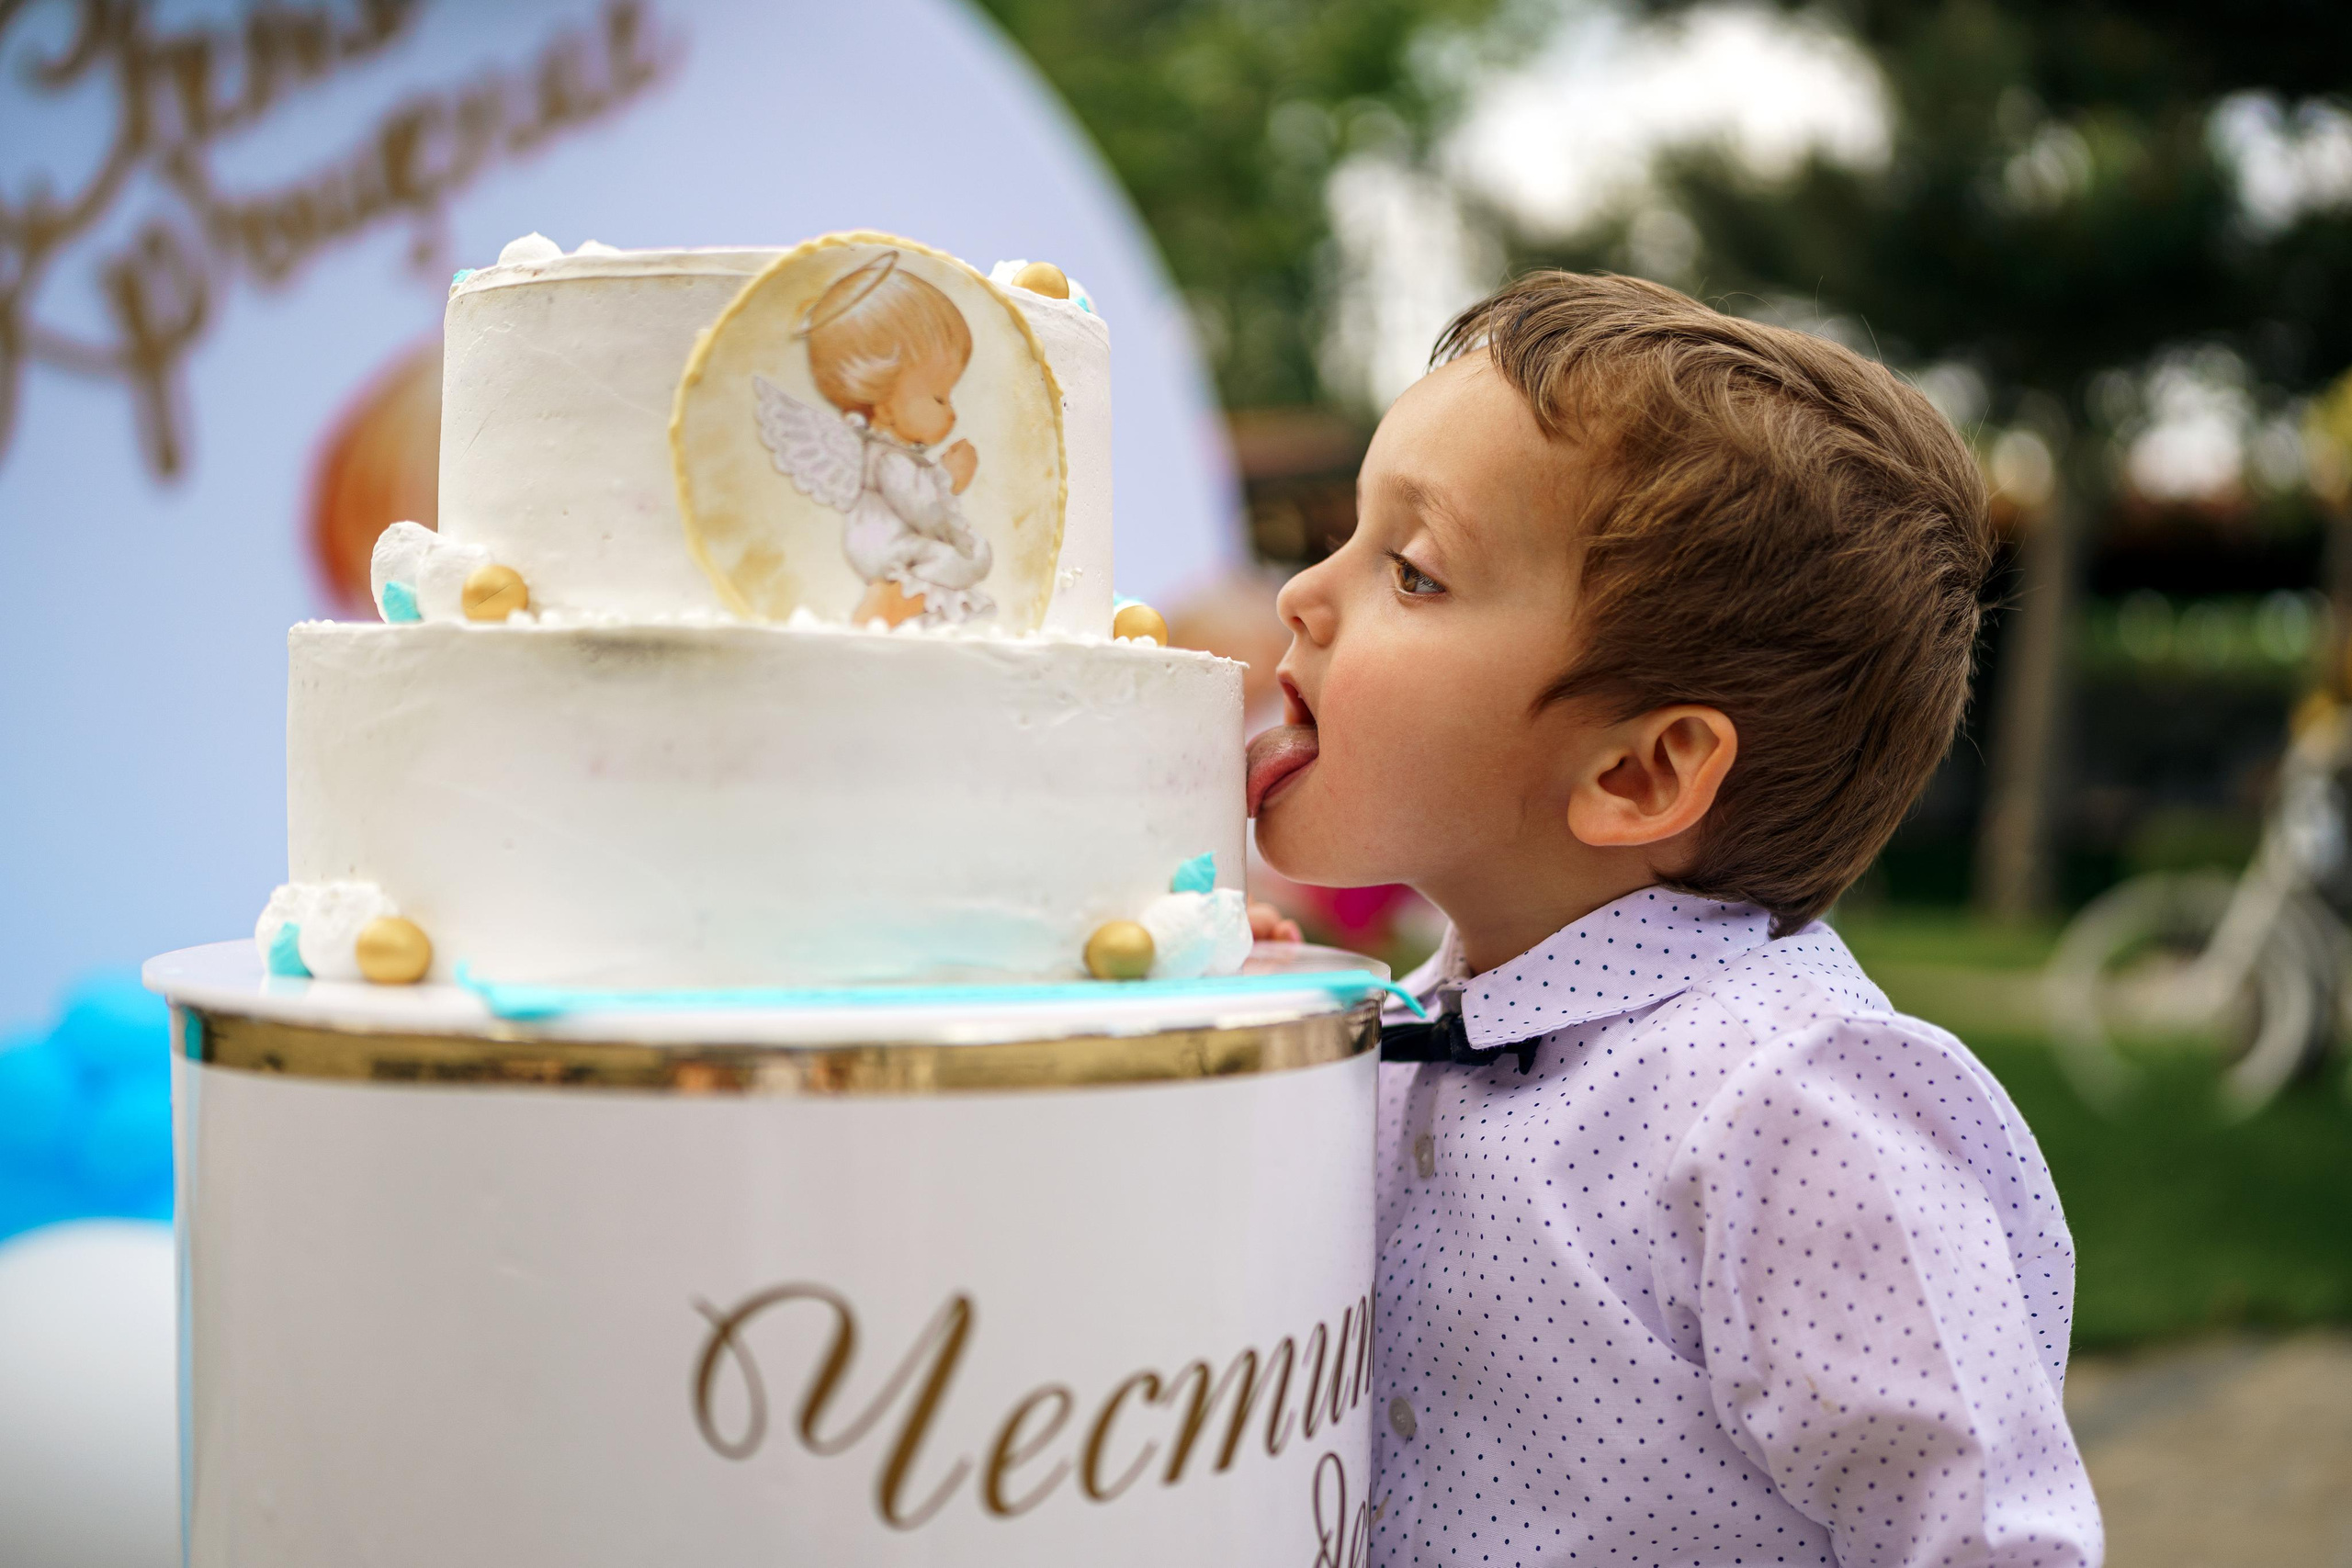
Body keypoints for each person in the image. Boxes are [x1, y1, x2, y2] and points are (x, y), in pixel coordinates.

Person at [1246, 272, 2101, 1566]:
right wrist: (1222, 1070)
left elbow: (1988, 1534)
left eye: (1410, 572)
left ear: (1637, 774)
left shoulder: (1791, 1105)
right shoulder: (1405, 1035)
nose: (1302, 596)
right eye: (1348, 538)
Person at [755, 250, 994, 626]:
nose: (952, 413)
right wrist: (950, 479)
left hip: (895, 546)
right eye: (938, 396)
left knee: (952, 571)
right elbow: (924, 510)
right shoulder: (888, 459)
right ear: (881, 401)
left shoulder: (894, 454)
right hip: (888, 549)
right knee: (962, 562)